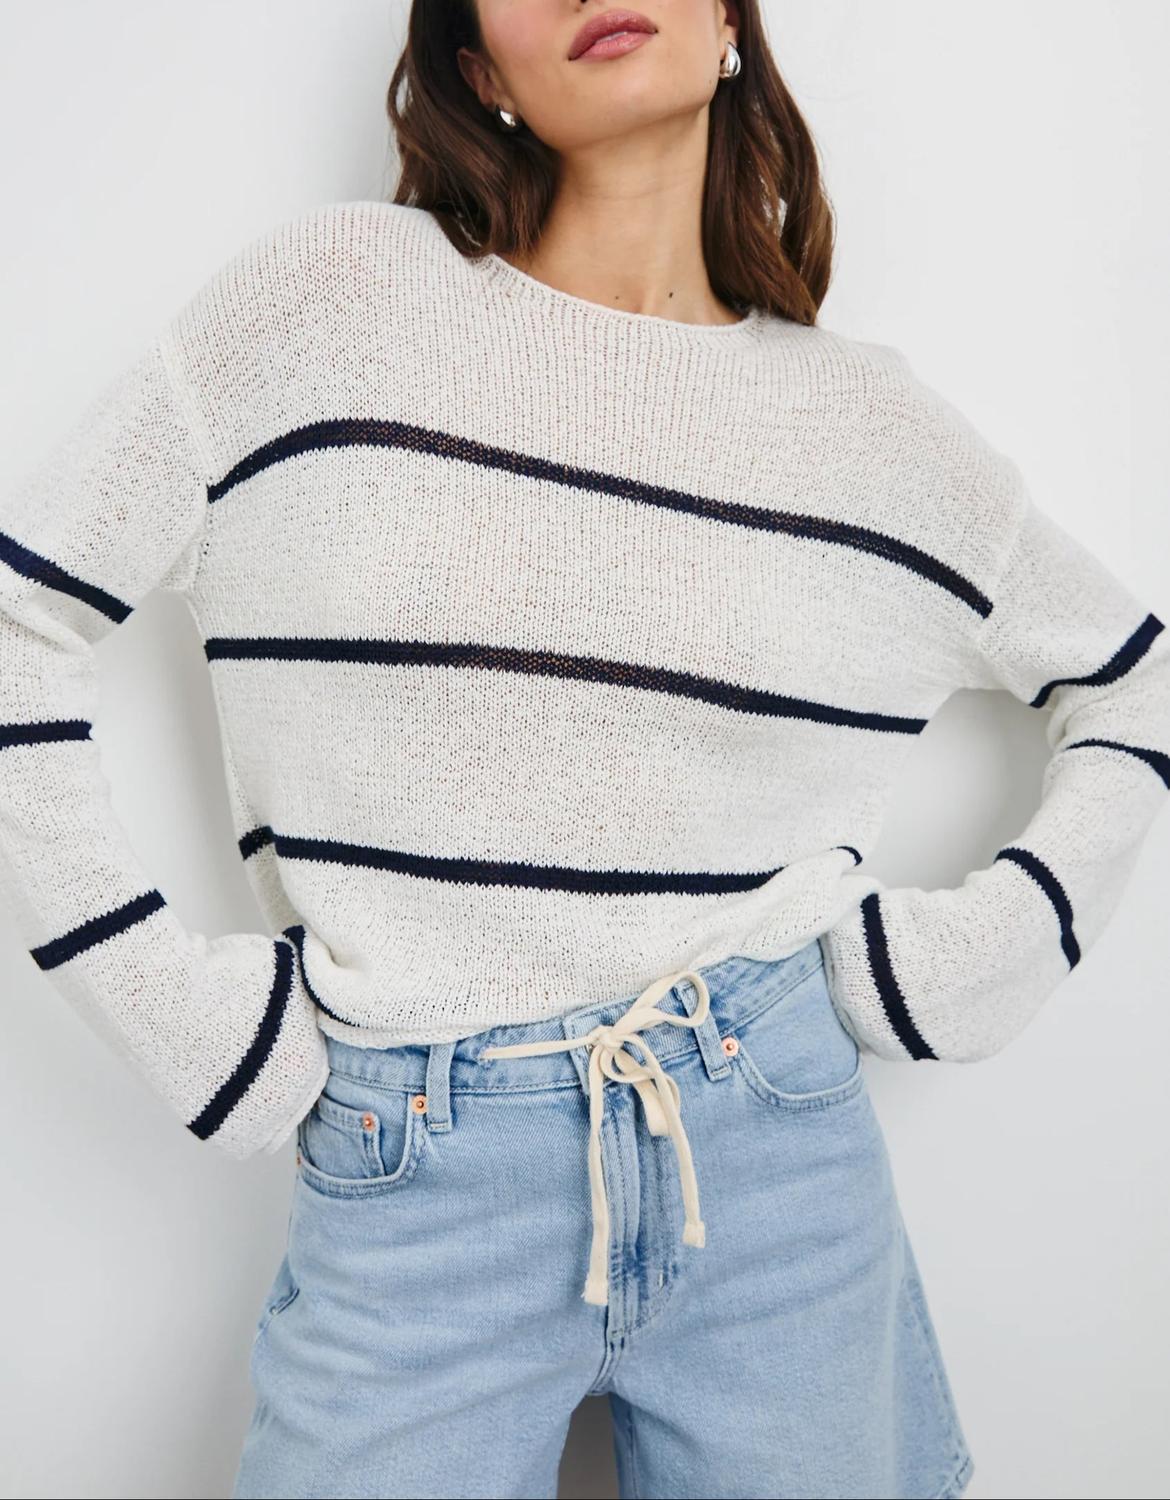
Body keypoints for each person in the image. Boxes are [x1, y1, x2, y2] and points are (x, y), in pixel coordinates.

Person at [3, 3, 1167, 1497]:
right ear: (477, 69)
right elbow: (19, 616)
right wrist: (171, 1010)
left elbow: (1132, 686)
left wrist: (976, 958)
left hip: (776, 1159)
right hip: (416, 1173)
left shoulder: (878, 439)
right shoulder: (327, 307)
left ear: (729, 23)